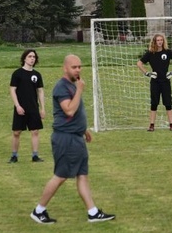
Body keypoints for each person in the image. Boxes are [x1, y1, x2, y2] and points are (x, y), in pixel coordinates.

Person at [30, 55, 115, 224]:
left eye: (79, 67)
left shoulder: (73, 85)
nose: (77, 70)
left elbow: (75, 113)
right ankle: (38, 211)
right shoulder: (61, 87)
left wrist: (83, 129)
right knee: (60, 176)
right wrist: (80, 90)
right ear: (65, 68)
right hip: (65, 139)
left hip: (76, 137)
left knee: (82, 175)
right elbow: (68, 110)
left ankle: (93, 212)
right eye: (74, 67)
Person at [137, 33, 172, 131]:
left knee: (168, 103)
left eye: (161, 40)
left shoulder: (167, 52)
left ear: (163, 41)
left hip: (165, 81)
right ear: (154, 41)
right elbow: (139, 63)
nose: (160, 42)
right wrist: (147, 73)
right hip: (155, 82)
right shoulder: (150, 53)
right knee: (154, 103)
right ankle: (151, 125)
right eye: (158, 40)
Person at [9, 49, 46, 163]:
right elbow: (12, 90)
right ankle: (14, 156)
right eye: (30, 56)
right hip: (20, 108)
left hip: (33, 108)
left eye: (34, 57)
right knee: (17, 132)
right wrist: (17, 106)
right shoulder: (17, 74)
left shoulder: (37, 75)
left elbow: (40, 91)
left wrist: (42, 108)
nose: (32, 58)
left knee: (35, 131)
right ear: (24, 58)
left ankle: (35, 156)